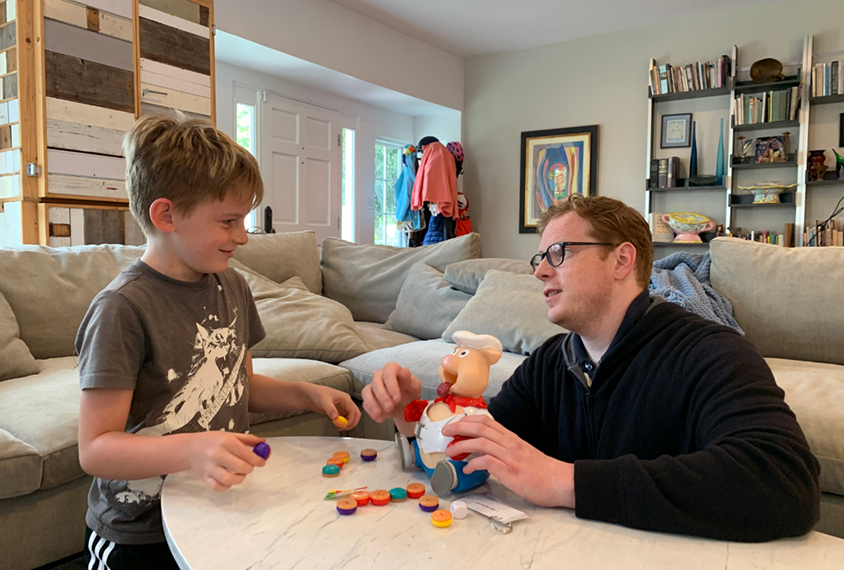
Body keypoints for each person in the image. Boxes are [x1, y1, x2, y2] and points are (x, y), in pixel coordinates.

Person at [362, 194, 820, 542]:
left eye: (559, 253)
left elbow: (785, 482)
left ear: (622, 259)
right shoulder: (551, 361)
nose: (541, 272)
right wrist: (416, 422)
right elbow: (479, 449)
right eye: (540, 259)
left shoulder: (708, 353)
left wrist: (566, 482)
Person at [76, 114, 361, 569]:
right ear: (166, 215)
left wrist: (307, 393)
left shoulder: (232, 286)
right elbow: (95, 449)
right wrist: (194, 448)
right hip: (139, 531)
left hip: (215, 506)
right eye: (228, 221)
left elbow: (240, 383)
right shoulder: (122, 308)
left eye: (243, 219)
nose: (243, 236)